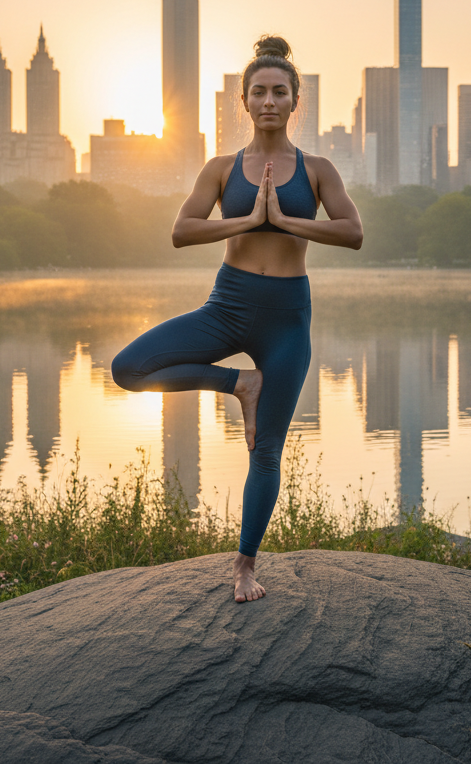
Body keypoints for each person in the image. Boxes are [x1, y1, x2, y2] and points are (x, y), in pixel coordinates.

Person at [111, 36, 363, 603]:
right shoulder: (222, 169)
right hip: (228, 307)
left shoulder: (317, 170)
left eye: (279, 91)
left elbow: (353, 233)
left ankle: (245, 566)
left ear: (295, 100)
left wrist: (288, 223)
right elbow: (182, 231)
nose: (269, 101)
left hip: (287, 321)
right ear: (243, 103)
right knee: (128, 368)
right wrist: (250, 219)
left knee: (266, 451)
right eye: (258, 92)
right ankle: (237, 384)